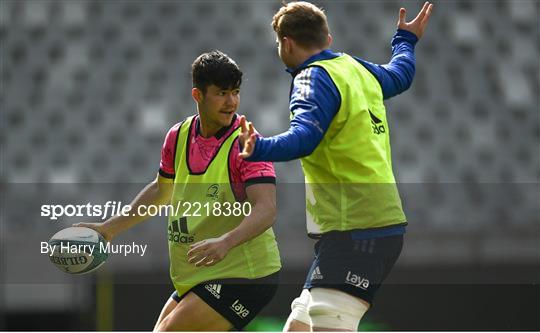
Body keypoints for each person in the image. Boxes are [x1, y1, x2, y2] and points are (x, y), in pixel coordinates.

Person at [238, 1, 433, 331]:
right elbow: (401, 75)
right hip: (365, 226)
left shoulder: (311, 78)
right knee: (298, 327)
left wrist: (259, 147)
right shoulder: (355, 68)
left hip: (357, 228)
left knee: (328, 323)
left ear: (285, 43)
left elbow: (305, 137)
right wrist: (405, 40)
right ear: (327, 38)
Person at [76, 51, 281, 331]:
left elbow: (266, 209)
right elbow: (162, 191)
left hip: (243, 276)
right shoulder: (178, 135)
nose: (231, 102)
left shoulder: (246, 143)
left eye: (235, 92)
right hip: (197, 277)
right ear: (198, 94)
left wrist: (226, 242)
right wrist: (108, 229)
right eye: (222, 93)